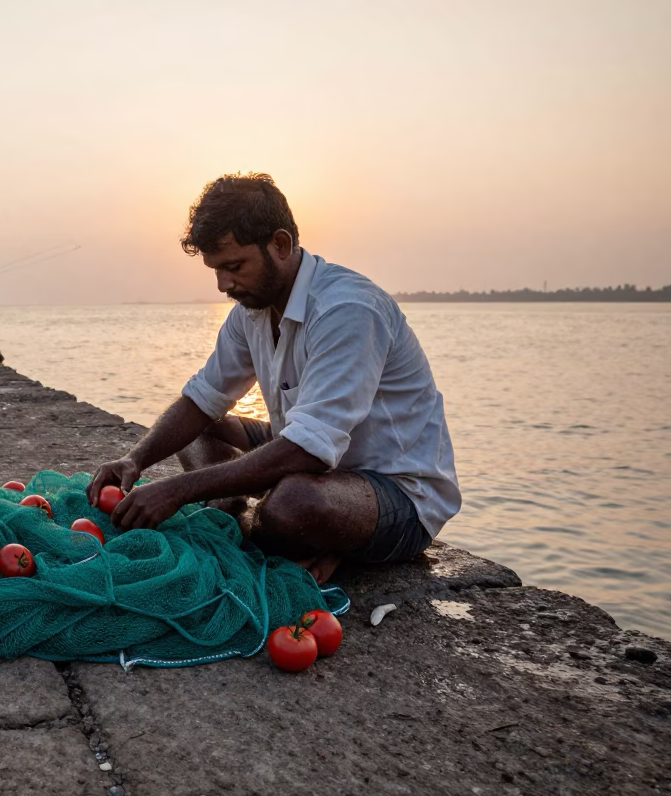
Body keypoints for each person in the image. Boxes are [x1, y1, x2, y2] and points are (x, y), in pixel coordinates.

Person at [87, 173, 460, 584]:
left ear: (280, 245)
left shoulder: (347, 309)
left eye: (234, 267)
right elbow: (201, 399)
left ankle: (295, 533)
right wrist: (135, 459)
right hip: (307, 453)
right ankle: (234, 516)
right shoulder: (250, 312)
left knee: (293, 504)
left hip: (395, 490)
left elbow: (308, 452)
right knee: (197, 424)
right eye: (216, 270)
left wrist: (177, 490)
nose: (223, 284)